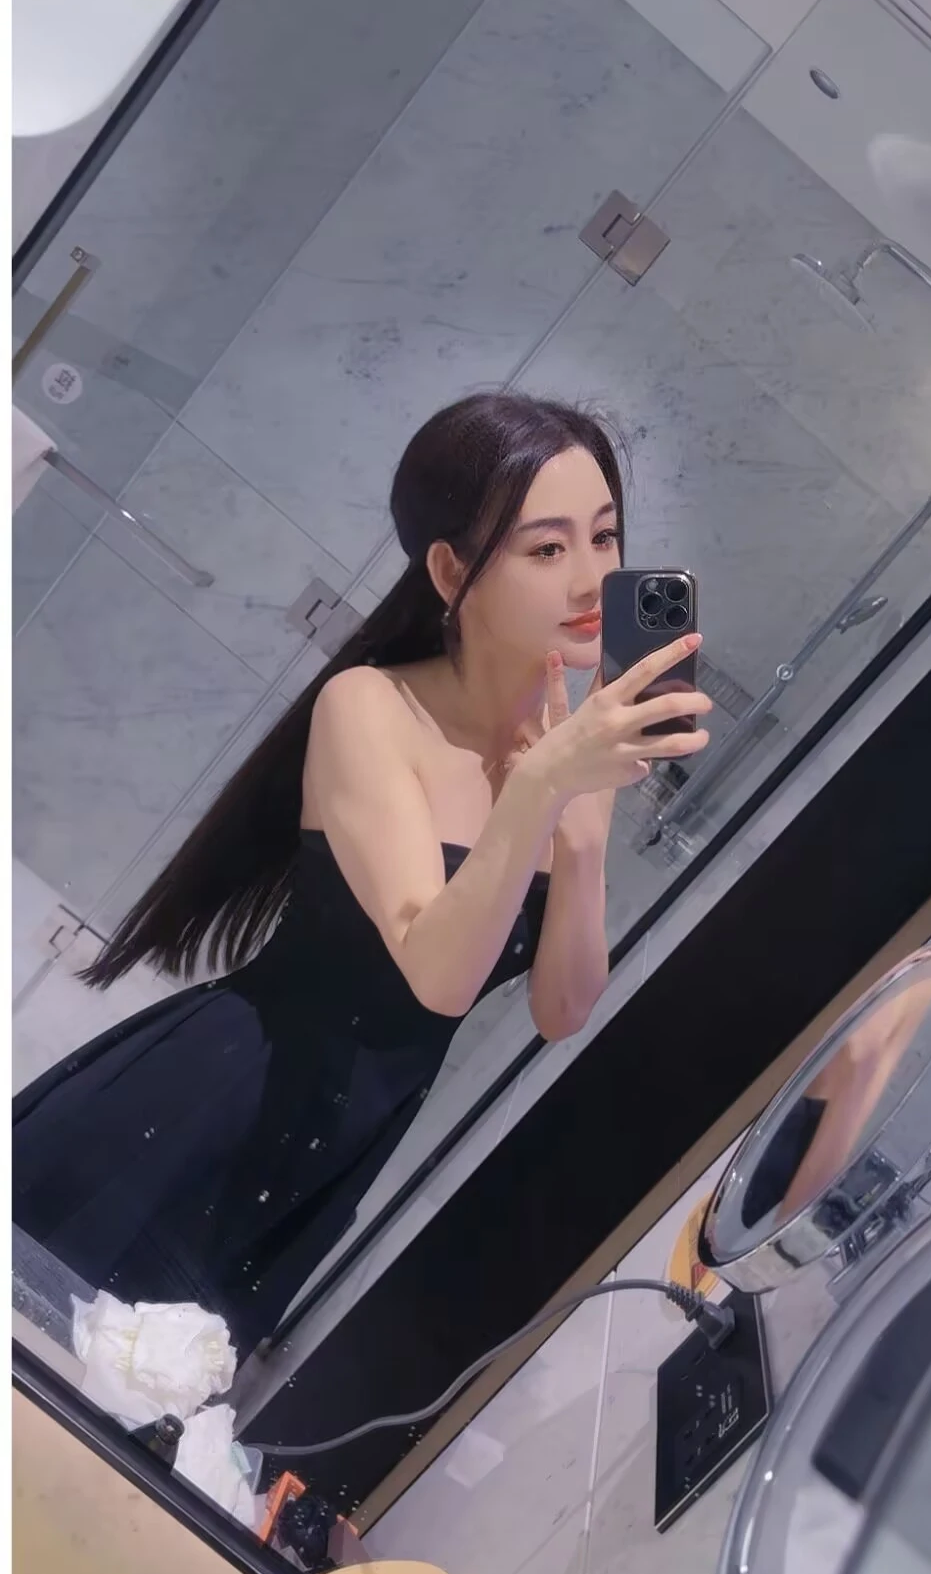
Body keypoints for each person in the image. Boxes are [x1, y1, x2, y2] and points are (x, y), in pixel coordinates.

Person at [13, 392, 712, 1359]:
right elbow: (438, 972)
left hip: (330, 1160)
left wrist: (584, 833)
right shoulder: (372, 708)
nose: (593, 576)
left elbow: (562, 1008)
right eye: (547, 548)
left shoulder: (562, 756)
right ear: (451, 571)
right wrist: (541, 791)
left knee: (128, 1408)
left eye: (605, 536)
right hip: (204, 1106)